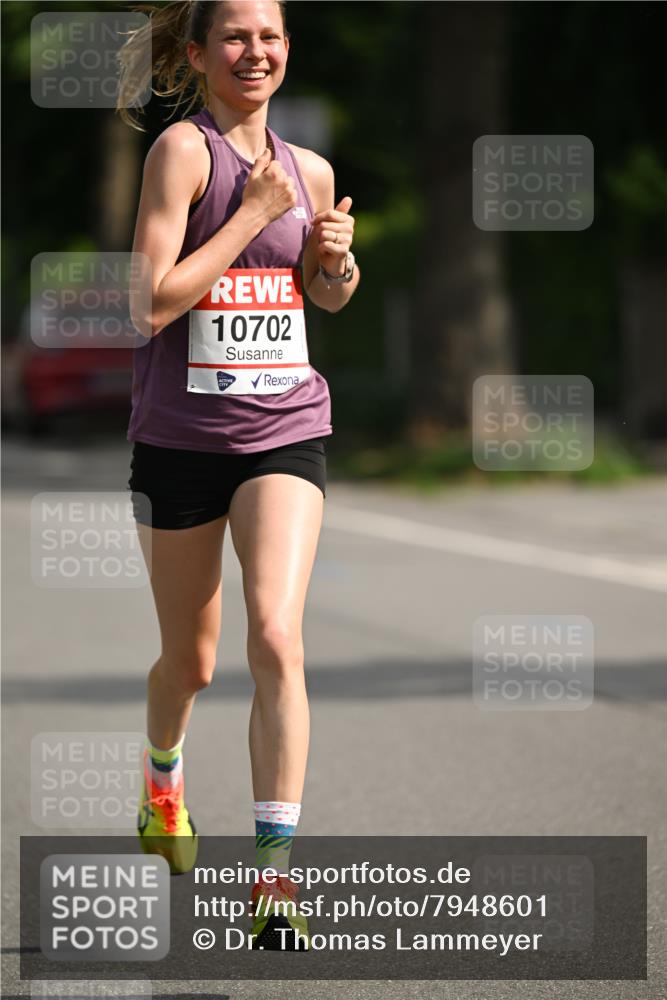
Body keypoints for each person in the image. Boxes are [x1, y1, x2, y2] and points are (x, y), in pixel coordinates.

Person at [116, 0, 359, 950]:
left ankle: (272, 878)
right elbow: (148, 304)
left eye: (269, 36)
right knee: (192, 663)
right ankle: (163, 781)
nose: (254, 52)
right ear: (199, 51)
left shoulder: (312, 170)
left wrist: (334, 265)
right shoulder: (183, 153)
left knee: (277, 636)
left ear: (286, 49)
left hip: (283, 431)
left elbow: (321, 299)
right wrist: (252, 214)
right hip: (180, 441)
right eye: (234, 37)